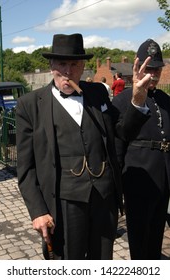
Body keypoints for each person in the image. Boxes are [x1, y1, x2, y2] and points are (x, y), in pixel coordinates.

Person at [16, 33, 152, 260]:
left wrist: (137, 100)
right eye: (62, 63)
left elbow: (122, 132)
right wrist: (38, 211)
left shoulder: (97, 93)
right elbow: (26, 167)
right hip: (63, 201)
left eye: (74, 64)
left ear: (83, 67)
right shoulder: (30, 105)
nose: (68, 71)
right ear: (51, 66)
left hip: (104, 198)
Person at [112, 39, 170, 260]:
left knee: (156, 236)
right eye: (148, 68)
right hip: (138, 179)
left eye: (156, 68)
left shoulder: (166, 100)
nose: (153, 74)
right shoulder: (123, 100)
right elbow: (118, 144)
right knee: (139, 237)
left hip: (163, 178)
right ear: (137, 66)